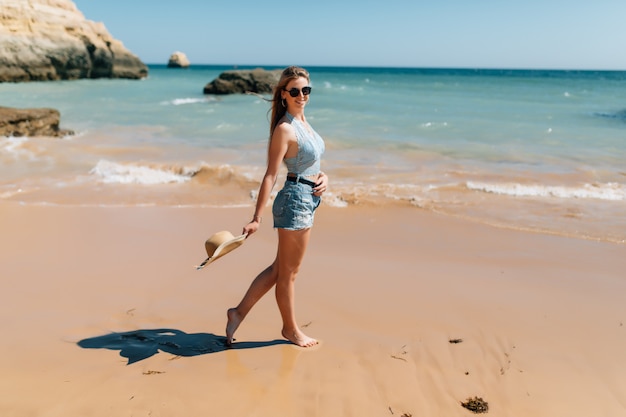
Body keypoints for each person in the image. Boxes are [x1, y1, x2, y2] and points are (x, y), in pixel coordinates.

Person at [225, 66, 328, 348]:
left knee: (279, 270)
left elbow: (311, 163)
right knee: (288, 274)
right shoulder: (285, 128)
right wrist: (256, 217)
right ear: (283, 95)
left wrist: (324, 177)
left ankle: (237, 313)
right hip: (295, 201)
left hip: (307, 198)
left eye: (306, 90)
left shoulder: (304, 122)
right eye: (294, 91)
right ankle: (290, 330)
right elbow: (271, 174)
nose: (301, 95)